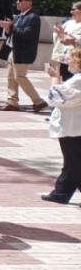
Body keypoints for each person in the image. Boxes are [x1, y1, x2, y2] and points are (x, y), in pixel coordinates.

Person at [41, 49, 81, 204]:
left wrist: (54, 79)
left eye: (70, 59)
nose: (68, 62)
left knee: (75, 162)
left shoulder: (78, 80)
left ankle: (61, 192)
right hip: (74, 125)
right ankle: (61, 192)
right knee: (71, 160)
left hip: (73, 126)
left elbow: (57, 97)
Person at [0, 0, 45, 112]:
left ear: (29, 2)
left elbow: (28, 34)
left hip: (23, 52)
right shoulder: (19, 16)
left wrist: (12, 27)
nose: (17, 2)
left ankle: (38, 101)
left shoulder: (33, 17)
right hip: (13, 50)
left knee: (20, 77)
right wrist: (7, 28)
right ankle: (12, 102)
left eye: (21, 0)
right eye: (17, 0)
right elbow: (13, 33)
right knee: (11, 77)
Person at [51, 1, 81, 82]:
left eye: (74, 9)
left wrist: (74, 40)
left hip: (77, 58)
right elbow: (59, 35)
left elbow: (75, 39)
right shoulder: (68, 23)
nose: (72, 12)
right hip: (65, 57)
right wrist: (58, 33)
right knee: (64, 79)